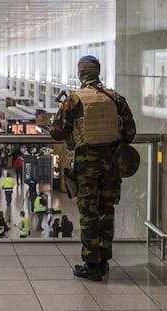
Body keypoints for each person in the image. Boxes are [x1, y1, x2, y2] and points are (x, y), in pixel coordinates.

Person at [49, 55, 137, 281]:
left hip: (86, 165)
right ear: (98, 72)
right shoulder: (116, 98)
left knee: (89, 213)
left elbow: (57, 132)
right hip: (112, 166)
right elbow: (130, 133)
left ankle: (91, 264)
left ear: (80, 73)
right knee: (107, 210)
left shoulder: (74, 100)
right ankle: (104, 261)